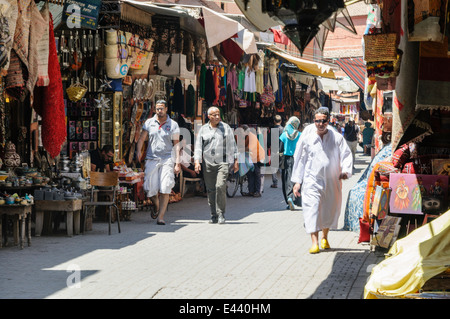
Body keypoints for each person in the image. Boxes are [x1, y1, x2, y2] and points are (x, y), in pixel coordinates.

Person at [291, 107, 353, 254]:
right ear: (314, 121)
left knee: (328, 209)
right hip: (312, 180)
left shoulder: (336, 137)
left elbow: (346, 154)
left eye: (323, 121)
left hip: (332, 180)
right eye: (317, 121)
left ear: (328, 121)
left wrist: (345, 171)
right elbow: (300, 159)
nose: (320, 124)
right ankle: (315, 242)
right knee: (311, 209)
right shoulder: (308, 137)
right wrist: (297, 181)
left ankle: (325, 237)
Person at [136, 100, 181, 225]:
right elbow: (142, 138)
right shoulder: (149, 122)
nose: (159, 111)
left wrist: (177, 162)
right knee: (149, 188)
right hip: (152, 158)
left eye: (161, 108)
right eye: (157, 108)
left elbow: (176, 145)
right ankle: (155, 205)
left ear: (166, 109)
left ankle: (161, 217)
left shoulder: (173, 125)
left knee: (166, 186)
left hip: (167, 159)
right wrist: (138, 151)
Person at [194, 106, 239, 224]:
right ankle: (213, 214)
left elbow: (232, 145)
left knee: (220, 186)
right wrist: (197, 161)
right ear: (209, 116)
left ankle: (221, 214)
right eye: (214, 115)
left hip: (222, 162)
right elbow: (198, 146)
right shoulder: (203, 129)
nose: (217, 117)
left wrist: (235, 161)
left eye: (218, 114)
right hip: (208, 163)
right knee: (211, 189)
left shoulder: (226, 128)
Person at [279, 116, 301, 210]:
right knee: (296, 178)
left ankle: (288, 198)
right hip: (297, 159)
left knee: (286, 179)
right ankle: (295, 199)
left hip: (286, 159)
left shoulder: (284, 135)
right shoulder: (300, 135)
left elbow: (280, 149)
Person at [241, 125, 265, 197]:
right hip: (251, 157)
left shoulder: (252, 137)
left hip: (257, 157)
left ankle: (258, 191)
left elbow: (250, 148)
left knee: (256, 174)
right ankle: (251, 191)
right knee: (250, 174)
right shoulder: (246, 136)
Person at [271, 115, 283, 188]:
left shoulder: (272, 130)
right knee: (281, 167)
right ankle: (284, 181)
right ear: (281, 121)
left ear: (274, 121)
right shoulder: (284, 129)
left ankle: (275, 183)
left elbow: (270, 141)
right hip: (282, 150)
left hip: (274, 150)